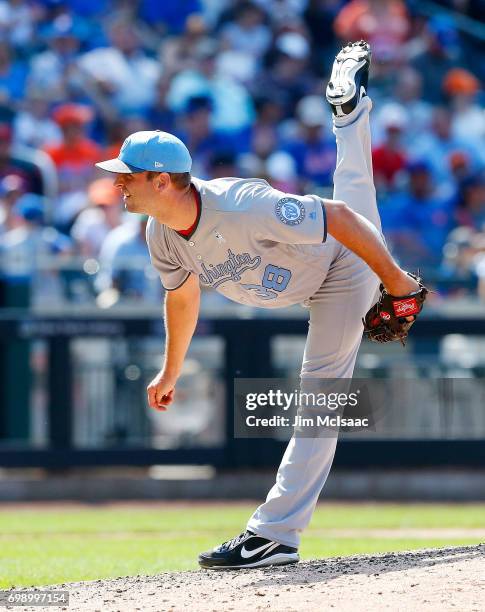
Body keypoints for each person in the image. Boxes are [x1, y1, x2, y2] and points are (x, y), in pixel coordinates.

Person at [96, 41, 421, 569]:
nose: (117, 183)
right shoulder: (162, 233)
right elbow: (181, 299)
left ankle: (275, 534)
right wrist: (170, 370)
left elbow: (338, 219)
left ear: (161, 180)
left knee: (319, 401)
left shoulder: (242, 204)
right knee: (355, 184)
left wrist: (396, 283)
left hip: (343, 267)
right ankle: (350, 116)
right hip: (304, 274)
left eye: (126, 175)